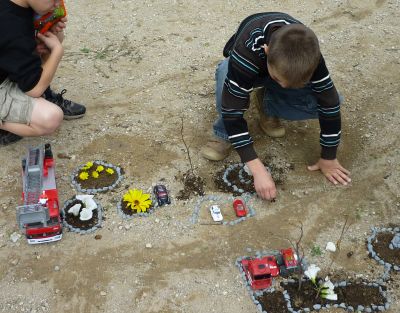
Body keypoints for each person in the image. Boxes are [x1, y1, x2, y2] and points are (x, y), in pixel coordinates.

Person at [201, 12, 351, 200]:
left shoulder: (311, 55)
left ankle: (267, 103)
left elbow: (330, 105)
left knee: (332, 100)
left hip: (278, 67)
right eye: (279, 80)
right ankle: (223, 133)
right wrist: (256, 169)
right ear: (266, 51)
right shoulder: (248, 52)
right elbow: (233, 112)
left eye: (289, 84)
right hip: (245, 68)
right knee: (226, 75)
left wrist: (328, 157)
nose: (285, 87)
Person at [0, 0, 86, 146]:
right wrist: (57, 52)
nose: (58, 4)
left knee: (52, 35)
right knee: (50, 118)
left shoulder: (20, 6)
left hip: (6, 65)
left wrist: (45, 27)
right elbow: (34, 89)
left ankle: (44, 95)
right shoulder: (10, 24)